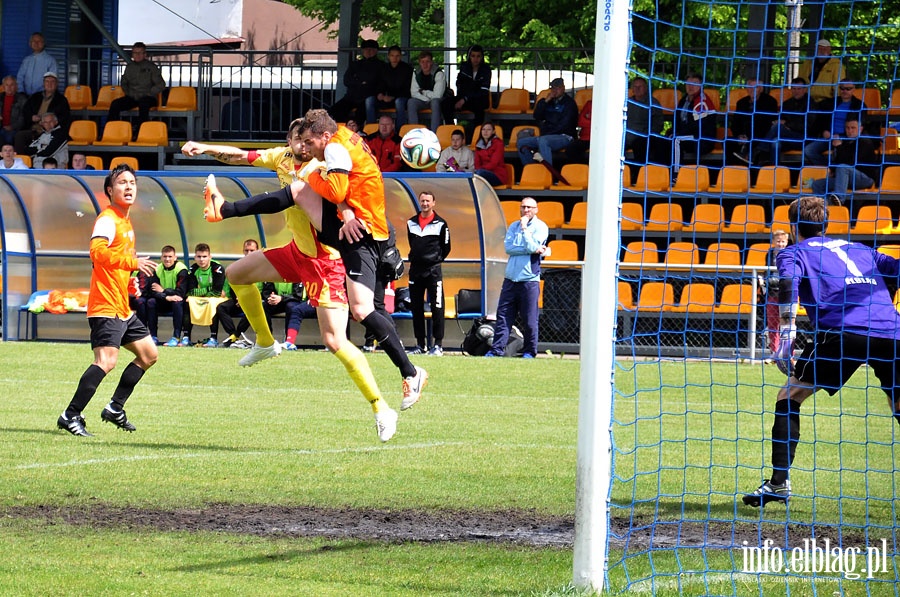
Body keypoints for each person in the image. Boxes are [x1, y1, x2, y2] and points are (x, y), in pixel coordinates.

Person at [182, 117, 407, 442]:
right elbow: (240, 156)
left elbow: (342, 196)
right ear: (290, 142)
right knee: (236, 274)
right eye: (295, 142)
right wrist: (205, 148)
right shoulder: (283, 157)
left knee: (335, 342)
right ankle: (264, 342)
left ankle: (380, 408)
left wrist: (345, 212)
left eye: (305, 142)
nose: (301, 147)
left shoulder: (326, 162)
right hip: (296, 251)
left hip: (324, 261)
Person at [743, 194, 900, 508]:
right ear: (826, 223)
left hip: (844, 333)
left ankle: (778, 483)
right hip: (891, 330)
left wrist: (785, 339)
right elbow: (895, 269)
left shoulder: (793, 252)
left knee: (789, 395)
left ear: (793, 225)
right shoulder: (860, 249)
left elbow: (788, 287)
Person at [56, 163, 158, 437]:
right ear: (110, 190)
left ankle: (114, 408)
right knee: (106, 361)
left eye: (132, 183)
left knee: (149, 355)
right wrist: (132, 262)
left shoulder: (125, 221)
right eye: (122, 183)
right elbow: (96, 253)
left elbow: (116, 265)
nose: (128, 187)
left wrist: (130, 283)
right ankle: (70, 414)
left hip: (122, 306)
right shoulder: (107, 219)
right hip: (105, 305)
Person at [485, 197, 549, 359]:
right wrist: (532, 249)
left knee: (529, 319)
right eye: (523, 207)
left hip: (529, 279)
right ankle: (496, 350)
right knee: (503, 316)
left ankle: (529, 351)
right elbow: (509, 248)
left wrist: (525, 230)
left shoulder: (541, 227)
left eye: (529, 207)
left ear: (536, 209)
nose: (526, 210)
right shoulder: (513, 226)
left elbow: (531, 246)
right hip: (510, 279)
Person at [406, 191, 451, 356]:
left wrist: (434, 260)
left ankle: (438, 345)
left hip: (433, 271)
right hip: (415, 271)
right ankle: (420, 344)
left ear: (433, 203)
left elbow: (446, 247)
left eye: (427, 201)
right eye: (422, 201)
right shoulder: (411, 222)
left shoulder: (441, 224)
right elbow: (412, 244)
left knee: (437, 307)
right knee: (416, 308)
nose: (424, 204)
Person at [207, 239, 260, 348]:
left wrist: (245, 299)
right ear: (243, 251)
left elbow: (263, 289)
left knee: (253, 309)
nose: (249, 253)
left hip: (253, 300)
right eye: (246, 250)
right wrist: (236, 298)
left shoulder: (262, 267)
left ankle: (235, 335)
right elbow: (230, 286)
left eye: (252, 250)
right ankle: (233, 336)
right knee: (221, 307)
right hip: (238, 300)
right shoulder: (237, 266)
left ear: (257, 251)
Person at [808, 116, 879, 196]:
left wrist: (839, 147)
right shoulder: (845, 141)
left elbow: (851, 163)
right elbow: (839, 162)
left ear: (860, 129)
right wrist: (833, 171)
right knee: (817, 184)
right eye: (847, 128)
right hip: (845, 178)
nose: (850, 131)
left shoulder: (866, 143)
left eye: (853, 128)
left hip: (865, 178)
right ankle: (823, 206)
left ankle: (838, 200)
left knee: (842, 168)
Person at [803, 79, 867, 166]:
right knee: (808, 150)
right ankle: (828, 169)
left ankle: (834, 170)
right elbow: (822, 119)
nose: (844, 91)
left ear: (853, 89)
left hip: (848, 138)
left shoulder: (859, 105)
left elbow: (859, 125)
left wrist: (841, 136)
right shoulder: (831, 103)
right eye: (842, 88)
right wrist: (825, 131)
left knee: (838, 154)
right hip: (829, 136)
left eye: (848, 89)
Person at [517, 78, 578, 168]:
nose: (554, 91)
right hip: (547, 136)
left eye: (557, 88)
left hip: (565, 136)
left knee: (543, 141)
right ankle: (532, 171)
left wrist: (546, 134)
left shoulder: (569, 103)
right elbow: (537, 116)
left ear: (563, 88)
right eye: (553, 88)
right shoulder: (547, 102)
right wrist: (545, 101)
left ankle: (546, 173)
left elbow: (564, 125)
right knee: (522, 142)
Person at [107, 42, 167, 133]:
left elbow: (161, 84)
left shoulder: (152, 67)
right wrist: (129, 93)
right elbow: (124, 83)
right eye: (135, 53)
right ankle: (112, 131)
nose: (137, 55)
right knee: (115, 104)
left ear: (145, 54)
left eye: (140, 53)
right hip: (133, 97)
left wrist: (149, 93)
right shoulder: (129, 67)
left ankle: (140, 132)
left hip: (148, 97)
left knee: (143, 104)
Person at [757, 77, 815, 165]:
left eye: (799, 89)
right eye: (794, 89)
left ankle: (758, 152)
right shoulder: (787, 104)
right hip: (787, 136)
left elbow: (807, 126)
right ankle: (775, 170)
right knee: (775, 141)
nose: (796, 91)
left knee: (778, 128)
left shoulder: (811, 104)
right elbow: (781, 119)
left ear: (805, 89)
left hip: (804, 138)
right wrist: (778, 122)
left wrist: (787, 124)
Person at [15, 71, 70, 154]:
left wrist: (48, 122)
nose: (49, 84)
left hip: (50, 131)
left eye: (52, 82)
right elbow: (26, 112)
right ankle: (21, 161)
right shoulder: (35, 97)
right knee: (20, 136)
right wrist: (32, 118)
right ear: (43, 84)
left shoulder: (61, 100)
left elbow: (64, 118)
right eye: (47, 81)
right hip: (33, 129)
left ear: (56, 84)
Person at [670, 73, 716, 171]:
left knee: (676, 140)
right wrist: (671, 132)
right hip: (686, 136)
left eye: (695, 83)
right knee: (664, 141)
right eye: (688, 84)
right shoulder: (683, 100)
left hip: (702, 138)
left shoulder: (703, 102)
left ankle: (675, 175)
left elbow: (697, 126)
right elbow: (677, 120)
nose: (691, 86)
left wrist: (678, 134)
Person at [728, 76, 779, 166]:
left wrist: (749, 138)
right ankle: (732, 170)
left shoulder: (770, 102)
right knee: (727, 141)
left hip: (760, 137)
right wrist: (739, 135)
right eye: (750, 87)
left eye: (756, 87)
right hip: (744, 137)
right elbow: (735, 123)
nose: (752, 90)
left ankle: (750, 160)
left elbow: (768, 125)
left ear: (761, 89)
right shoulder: (741, 103)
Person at [183, 243, 226, 346]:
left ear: (210, 257)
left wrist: (201, 292)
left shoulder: (217, 268)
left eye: (204, 257)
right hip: (207, 297)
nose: (201, 260)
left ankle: (213, 338)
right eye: (199, 257)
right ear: (195, 257)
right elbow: (190, 291)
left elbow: (217, 292)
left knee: (212, 303)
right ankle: (186, 337)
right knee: (187, 302)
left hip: (223, 297)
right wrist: (208, 290)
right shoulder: (193, 269)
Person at [330, 39, 382, 125]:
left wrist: (358, 82)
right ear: (362, 51)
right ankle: (342, 130)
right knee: (335, 110)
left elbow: (379, 83)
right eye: (366, 49)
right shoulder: (355, 64)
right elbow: (346, 80)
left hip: (369, 97)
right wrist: (361, 83)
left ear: (376, 51)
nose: (368, 51)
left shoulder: (381, 65)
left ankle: (359, 132)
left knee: (361, 114)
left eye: (371, 49)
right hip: (351, 97)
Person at [147, 245, 189, 347]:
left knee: (177, 302)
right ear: (161, 258)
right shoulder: (157, 269)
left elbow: (180, 293)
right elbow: (152, 291)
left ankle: (176, 337)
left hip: (176, 301)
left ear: (175, 257)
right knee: (150, 302)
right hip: (164, 299)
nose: (167, 259)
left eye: (170, 256)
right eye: (165, 256)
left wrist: (163, 290)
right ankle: (153, 336)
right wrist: (166, 297)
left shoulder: (181, 270)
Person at [623, 78, 664, 170]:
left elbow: (658, 124)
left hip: (643, 137)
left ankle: (638, 175)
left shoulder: (653, 103)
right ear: (632, 89)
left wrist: (646, 134)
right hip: (626, 136)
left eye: (640, 87)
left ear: (646, 88)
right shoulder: (626, 102)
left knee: (641, 145)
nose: (637, 89)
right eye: (635, 86)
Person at [261, 281, 316, 350]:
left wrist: (281, 298)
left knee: (292, 307)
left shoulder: (296, 272)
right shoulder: (273, 273)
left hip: (293, 300)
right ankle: (267, 340)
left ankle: (289, 341)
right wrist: (271, 297)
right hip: (278, 300)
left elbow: (298, 295)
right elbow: (267, 290)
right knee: (263, 307)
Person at [370, 45, 413, 127]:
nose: (395, 58)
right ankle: (371, 128)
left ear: (400, 56)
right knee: (370, 100)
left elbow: (407, 89)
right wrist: (380, 94)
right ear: (388, 56)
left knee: (399, 102)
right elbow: (380, 84)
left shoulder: (407, 69)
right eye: (392, 55)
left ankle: (399, 130)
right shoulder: (383, 68)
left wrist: (393, 97)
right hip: (385, 98)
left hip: (401, 97)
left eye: (397, 56)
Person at [451, 45, 492, 133]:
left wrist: (465, 98)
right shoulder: (464, 68)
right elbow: (460, 84)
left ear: (482, 57)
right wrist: (463, 97)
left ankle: (476, 135)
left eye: (478, 56)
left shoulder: (486, 70)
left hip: (478, 100)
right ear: (469, 56)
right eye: (473, 56)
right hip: (464, 98)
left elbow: (483, 91)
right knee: (445, 104)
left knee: (479, 109)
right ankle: (451, 131)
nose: (475, 59)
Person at [762, 229, 789, 355]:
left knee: (787, 324)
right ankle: (774, 351)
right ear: (773, 242)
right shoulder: (769, 254)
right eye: (778, 241)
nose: (781, 244)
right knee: (773, 323)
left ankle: (787, 352)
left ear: (787, 242)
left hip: (786, 291)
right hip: (772, 291)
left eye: (783, 242)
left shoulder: (790, 253)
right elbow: (767, 271)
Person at [408, 51, 448, 132]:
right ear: (419, 63)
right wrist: (427, 98)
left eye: (428, 61)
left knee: (435, 102)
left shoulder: (439, 73)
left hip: (437, 101)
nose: (425, 64)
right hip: (423, 100)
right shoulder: (416, 73)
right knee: (411, 102)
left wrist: (423, 92)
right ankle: (415, 132)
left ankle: (434, 133)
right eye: (422, 62)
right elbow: (414, 93)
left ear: (432, 62)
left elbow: (437, 95)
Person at [798, 38, 846, 105]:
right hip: (806, 100)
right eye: (820, 49)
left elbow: (838, 87)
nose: (822, 51)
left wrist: (836, 102)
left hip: (826, 101)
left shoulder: (836, 65)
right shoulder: (807, 64)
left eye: (825, 49)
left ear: (829, 50)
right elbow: (799, 81)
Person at [473, 122, 507, 186]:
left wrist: (480, 170)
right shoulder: (478, 144)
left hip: (497, 175)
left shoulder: (498, 143)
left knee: (479, 174)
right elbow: (477, 163)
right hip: (481, 173)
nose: (485, 132)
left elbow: (493, 163)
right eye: (483, 129)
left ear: (493, 131)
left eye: (488, 130)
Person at [0, 76, 28, 147]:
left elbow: (23, 118)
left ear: (16, 86)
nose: (9, 87)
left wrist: (12, 127)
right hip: (1, 127)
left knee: (8, 138)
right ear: (3, 87)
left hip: (14, 129)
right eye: (7, 85)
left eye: (12, 85)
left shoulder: (22, 99)